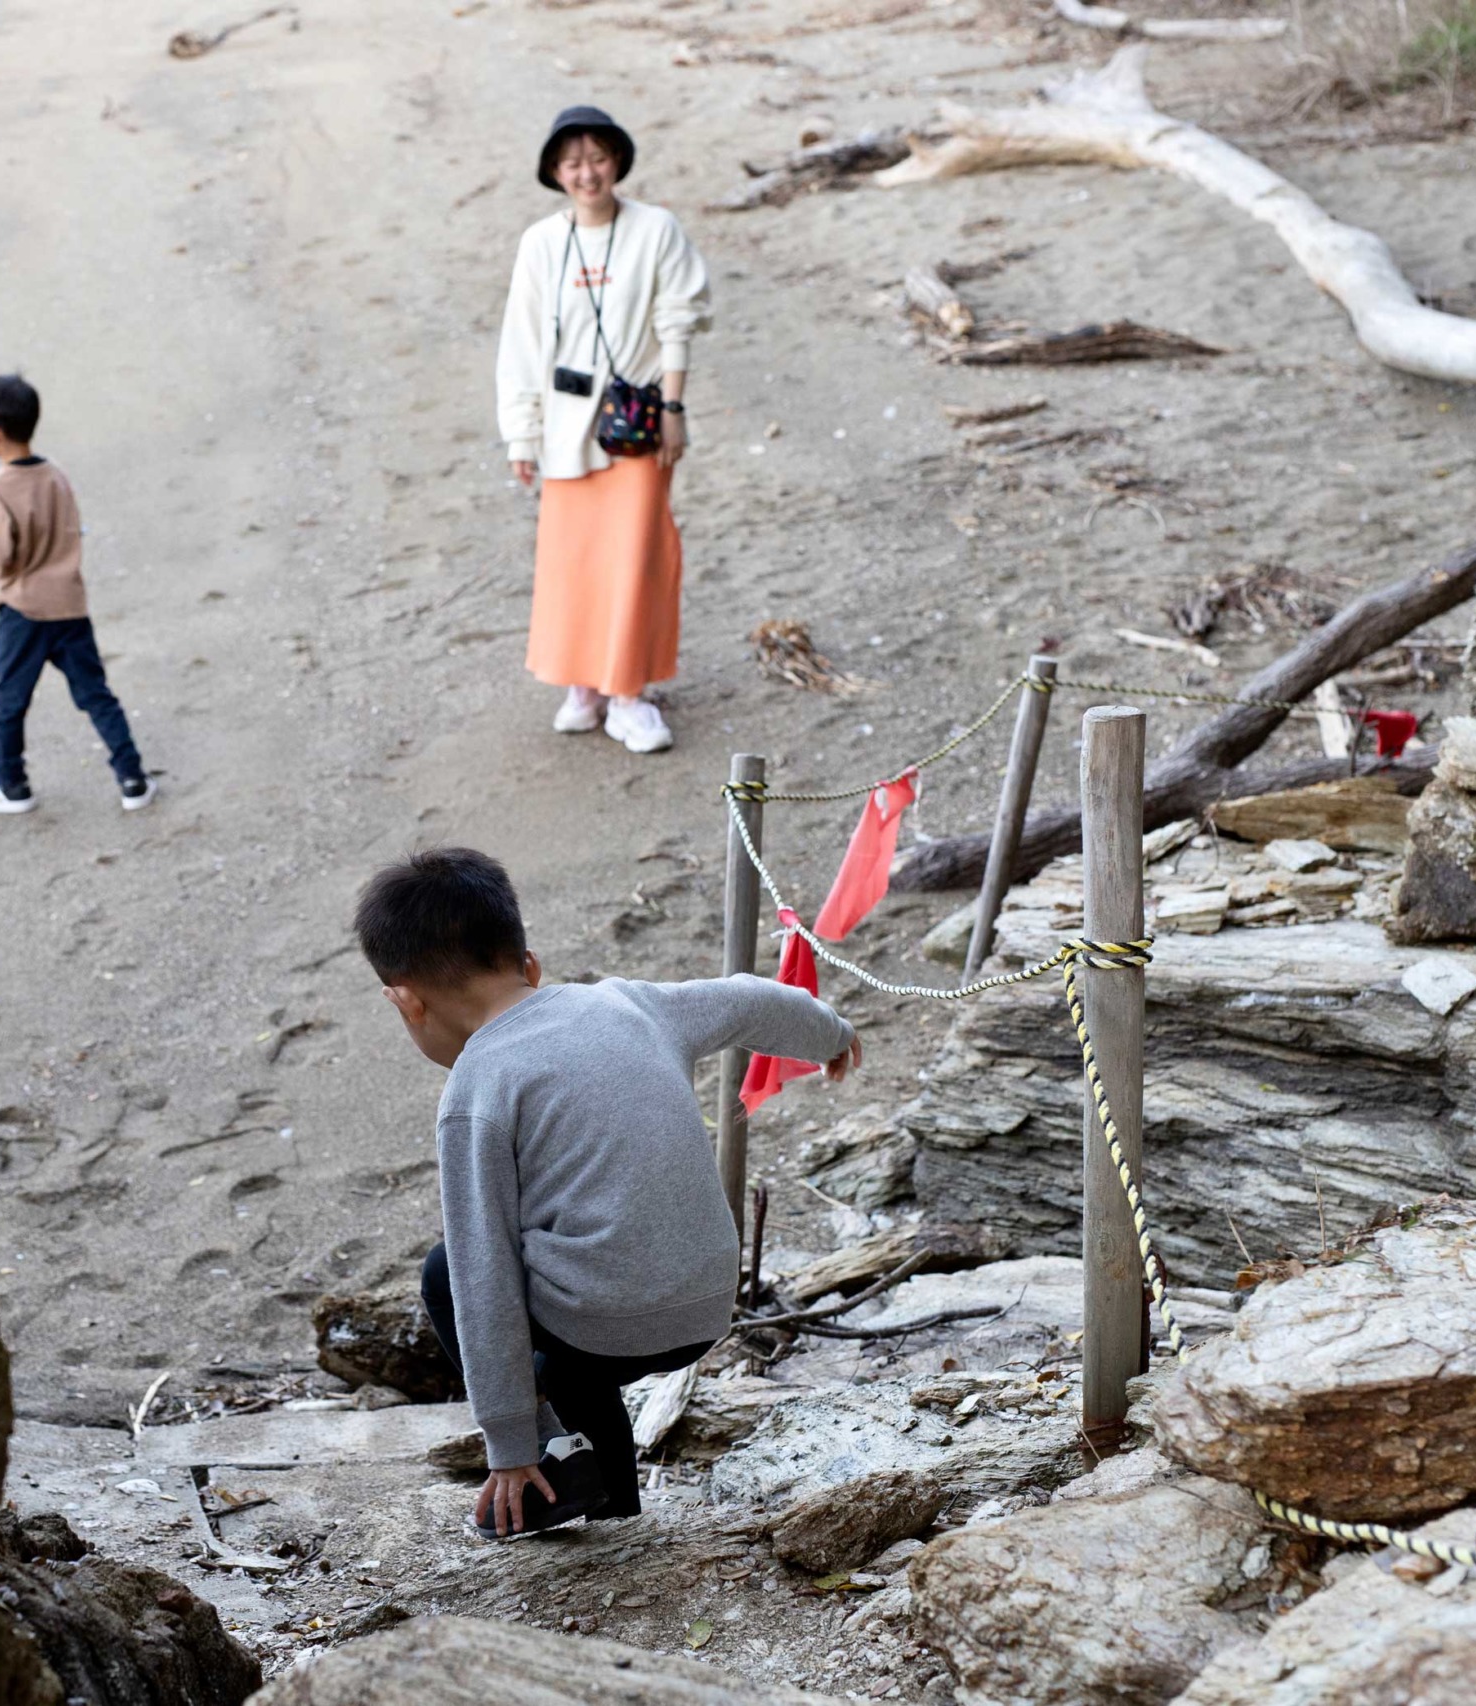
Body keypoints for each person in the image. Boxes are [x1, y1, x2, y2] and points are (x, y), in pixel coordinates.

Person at [354, 848, 858, 1538]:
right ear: (529, 965)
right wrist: (828, 1034)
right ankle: (608, 1497)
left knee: (449, 1270)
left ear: (406, 1000)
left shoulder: (476, 1089)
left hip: (605, 1327)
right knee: (578, 1278)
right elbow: (748, 1001)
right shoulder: (630, 1003)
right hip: (709, 1303)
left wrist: (508, 1442)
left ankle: (554, 1462)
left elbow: (483, 1275)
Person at [495, 105, 713, 755]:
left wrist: (673, 411)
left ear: (617, 160)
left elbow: (678, 320)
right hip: (564, 424)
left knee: (637, 558)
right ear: (555, 174)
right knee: (573, 561)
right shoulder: (540, 243)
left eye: (597, 158)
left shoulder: (656, 230)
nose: (586, 173)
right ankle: (582, 687)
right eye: (572, 162)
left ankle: (629, 694)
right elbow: (521, 342)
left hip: (636, 423)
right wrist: (522, 435)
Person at [0, 374, 155, 815]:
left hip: (23, 612)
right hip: (68, 605)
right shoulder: (56, 477)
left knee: (9, 702)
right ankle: (132, 777)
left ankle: (11, 785)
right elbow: (68, 529)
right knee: (96, 695)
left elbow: (1, 553)